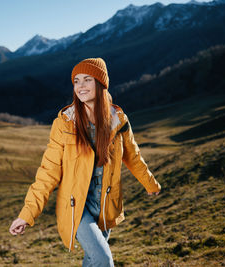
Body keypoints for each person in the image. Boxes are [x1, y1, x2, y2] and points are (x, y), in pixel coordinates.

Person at [9, 58, 161, 266]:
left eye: (87, 80)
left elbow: (132, 156)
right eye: (76, 81)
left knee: (92, 259)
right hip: (75, 206)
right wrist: (26, 215)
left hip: (105, 204)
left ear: (100, 84)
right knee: (103, 259)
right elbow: (48, 172)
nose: (80, 86)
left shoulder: (119, 120)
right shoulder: (64, 124)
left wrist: (150, 183)